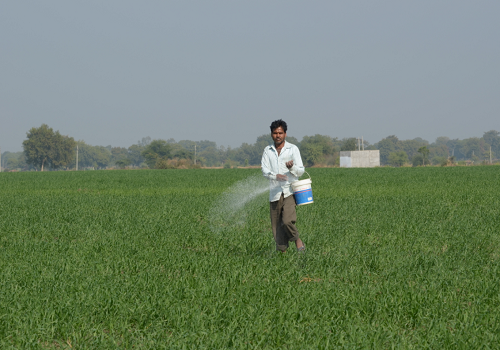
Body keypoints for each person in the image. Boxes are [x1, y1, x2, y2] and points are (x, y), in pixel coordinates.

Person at [261, 119, 306, 252]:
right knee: (276, 227)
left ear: (285, 134)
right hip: (274, 193)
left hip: (290, 191)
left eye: (280, 133)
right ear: (271, 134)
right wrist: (276, 176)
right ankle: (282, 254)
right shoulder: (268, 150)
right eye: (275, 133)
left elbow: (301, 171)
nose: (278, 135)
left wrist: (292, 168)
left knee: (287, 221)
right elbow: (264, 170)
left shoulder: (293, 149)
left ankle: (297, 240)